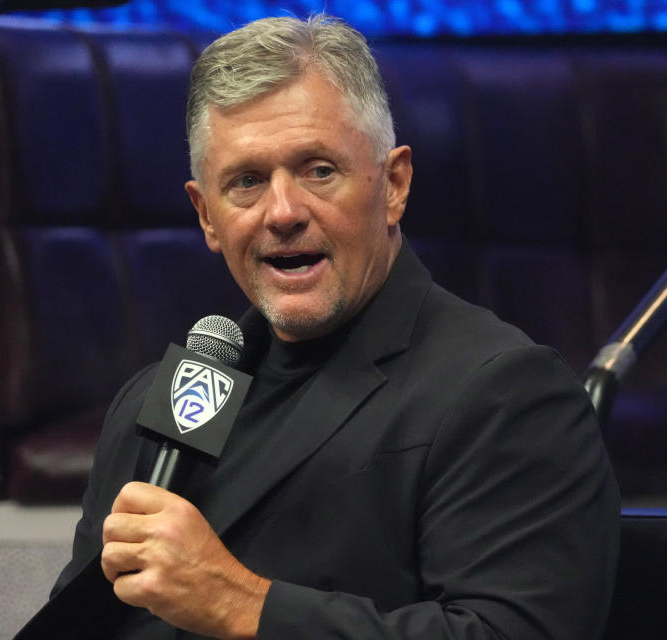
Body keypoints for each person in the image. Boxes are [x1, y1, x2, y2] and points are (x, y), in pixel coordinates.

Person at [48, 14, 620, 640]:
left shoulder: (505, 393)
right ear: (207, 217)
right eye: (247, 182)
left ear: (394, 184)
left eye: (319, 170)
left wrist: (243, 605)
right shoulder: (157, 401)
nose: (284, 212)